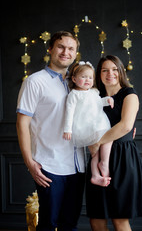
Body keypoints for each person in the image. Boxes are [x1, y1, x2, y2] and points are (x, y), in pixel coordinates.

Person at [16, 31, 86, 231]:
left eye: (71, 49)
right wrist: (29, 162)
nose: (66, 52)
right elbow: (22, 124)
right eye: (61, 47)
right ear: (50, 49)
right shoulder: (34, 81)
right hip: (49, 165)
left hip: (77, 165)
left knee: (70, 224)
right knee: (48, 224)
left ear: (75, 54)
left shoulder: (78, 84)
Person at [86, 55, 142, 231]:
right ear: (99, 74)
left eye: (114, 69)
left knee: (119, 220)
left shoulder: (129, 94)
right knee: (96, 220)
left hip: (123, 158)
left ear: (121, 72)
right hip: (96, 159)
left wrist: (97, 142)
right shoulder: (93, 96)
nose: (110, 73)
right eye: (105, 70)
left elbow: (125, 126)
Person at [63, 61, 113, 187]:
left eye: (90, 77)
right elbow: (69, 112)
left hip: (97, 122)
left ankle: (98, 172)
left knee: (103, 142)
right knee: (94, 150)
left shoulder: (94, 92)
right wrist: (67, 129)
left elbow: (98, 103)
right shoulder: (74, 94)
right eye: (83, 77)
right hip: (84, 126)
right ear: (74, 79)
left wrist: (107, 100)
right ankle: (102, 166)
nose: (87, 80)